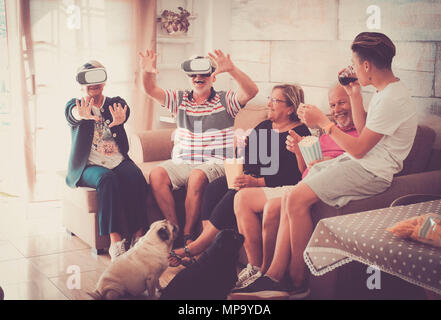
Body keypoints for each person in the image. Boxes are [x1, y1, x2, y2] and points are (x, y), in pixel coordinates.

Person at [231, 32, 418, 299]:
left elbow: (359, 147)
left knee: (295, 198)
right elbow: (365, 132)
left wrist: (323, 122)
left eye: (355, 63)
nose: (353, 69)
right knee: (288, 197)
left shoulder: (392, 99)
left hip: (371, 170)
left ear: (366, 66)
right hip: (361, 162)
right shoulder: (384, 93)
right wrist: (354, 93)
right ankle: (272, 276)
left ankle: (296, 282)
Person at [232, 83, 358, 291]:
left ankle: (281, 277)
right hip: (303, 183)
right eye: (332, 105)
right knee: (240, 197)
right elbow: (305, 169)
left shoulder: (355, 137)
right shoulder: (327, 136)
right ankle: (261, 272)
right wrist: (301, 152)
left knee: (273, 206)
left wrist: (319, 160)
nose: (336, 110)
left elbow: (303, 173)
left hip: (308, 188)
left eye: (341, 103)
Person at [168, 84, 311, 267]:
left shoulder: (300, 133)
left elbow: (292, 176)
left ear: (290, 108)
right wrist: (244, 159)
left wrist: (256, 181)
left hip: (273, 184)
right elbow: (249, 155)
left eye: (275, 100)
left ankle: (197, 248)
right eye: (270, 98)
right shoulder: (266, 125)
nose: (269, 104)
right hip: (253, 176)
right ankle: (210, 252)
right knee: (214, 188)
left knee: (235, 191)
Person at [139, 49, 258, 247]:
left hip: (217, 162)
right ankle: (174, 230)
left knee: (196, 175)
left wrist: (232, 69)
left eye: (203, 73)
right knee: (156, 174)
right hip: (184, 160)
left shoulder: (225, 100)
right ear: (189, 78)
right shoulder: (180, 99)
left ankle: (187, 235)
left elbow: (251, 91)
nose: (198, 77)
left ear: (213, 77)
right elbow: (150, 89)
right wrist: (147, 71)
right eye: (193, 74)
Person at [65, 61, 149, 261]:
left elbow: (124, 111)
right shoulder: (76, 104)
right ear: (81, 84)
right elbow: (72, 115)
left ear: (104, 82)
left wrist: (121, 119)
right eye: (88, 80)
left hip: (116, 159)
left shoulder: (114, 102)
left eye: (97, 79)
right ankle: (115, 243)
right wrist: (82, 114)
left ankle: (138, 236)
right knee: (107, 179)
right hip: (89, 166)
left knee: (136, 176)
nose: (93, 85)